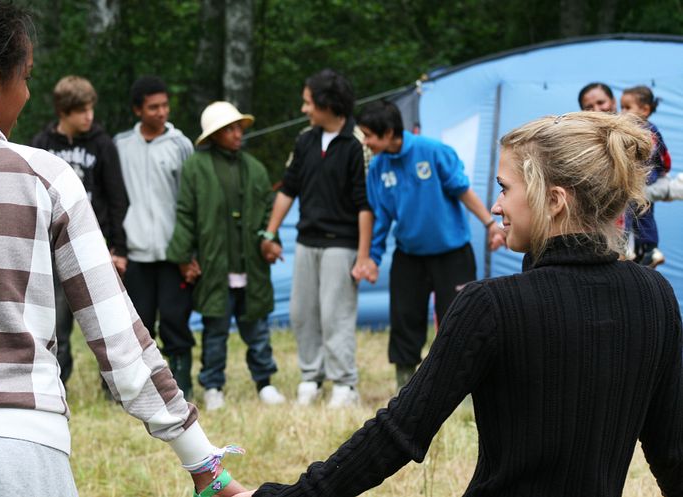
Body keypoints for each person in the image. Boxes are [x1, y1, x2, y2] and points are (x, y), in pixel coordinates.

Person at [249, 112, 683, 496]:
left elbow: (398, 433)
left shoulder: (492, 305)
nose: (495, 206)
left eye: (504, 188)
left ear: (554, 200)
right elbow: (671, 453)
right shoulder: (655, 296)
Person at [0, 2, 251, 496]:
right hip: (20, 453)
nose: (29, 92)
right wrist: (205, 468)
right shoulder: (46, 176)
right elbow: (122, 345)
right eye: (27, 77)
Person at [357, 100, 505, 388]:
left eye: (369, 135)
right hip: (409, 256)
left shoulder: (433, 152)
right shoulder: (378, 168)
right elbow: (381, 218)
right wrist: (371, 258)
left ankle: (461, 383)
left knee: (458, 320)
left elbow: (463, 191)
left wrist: (490, 224)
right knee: (404, 318)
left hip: (452, 254)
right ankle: (405, 383)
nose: (366, 142)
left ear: (388, 132)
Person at [262, 69, 375, 408]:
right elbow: (288, 188)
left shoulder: (357, 143)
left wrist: (363, 255)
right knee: (302, 312)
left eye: (308, 102)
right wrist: (270, 232)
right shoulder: (305, 140)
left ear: (327, 104)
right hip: (306, 241)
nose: (304, 109)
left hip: (342, 243)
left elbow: (365, 204)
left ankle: (345, 385)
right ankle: (311, 378)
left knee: (335, 314)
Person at [167, 101, 286, 411]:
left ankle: (265, 383)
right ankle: (213, 385)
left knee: (257, 330)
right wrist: (183, 257)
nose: (237, 134)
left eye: (238, 128)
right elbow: (186, 215)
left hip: (252, 267)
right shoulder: (196, 167)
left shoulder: (255, 168)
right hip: (214, 266)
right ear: (214, 135)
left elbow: (266, 217)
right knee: (215, 331)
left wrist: (272, 242)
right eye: (229, 129)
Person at [32, 75, 128, 385]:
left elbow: (117, 200)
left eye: (91, 109)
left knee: (109, 322)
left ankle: (115, 388)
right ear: (64, 111)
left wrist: (119, 249)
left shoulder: (103, 144)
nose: (89, 116)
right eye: (82, 110)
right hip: (52, 249)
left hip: (95, 247)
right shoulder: (42, 145)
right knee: (55, 325)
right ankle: (57, 385)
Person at [114, 76, 195, 398]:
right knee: (139, 324)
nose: (161, 112)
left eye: (165, 105)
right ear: (137, 110)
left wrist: (189, 252)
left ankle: (181, 384)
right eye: (153, 107)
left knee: (176, 320)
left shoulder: (181, 144)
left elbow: (191, 202)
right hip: (134, 253)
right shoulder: (119, 145)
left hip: (173, 253)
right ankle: (140, 387)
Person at [578, 82, 664, 267]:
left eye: (601, 102)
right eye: (589, 107)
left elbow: (658, 159)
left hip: (629, 219)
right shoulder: (581, 138)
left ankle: (647, 252)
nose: (597, 109)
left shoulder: (634, 130)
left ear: (613, 102)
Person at [621, 85, 678, 267]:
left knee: (640, 212)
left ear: (645, 110)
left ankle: (650, 248)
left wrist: (662, 171)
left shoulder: (647, 130)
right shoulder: (629, 130)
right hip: (636, 179)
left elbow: (662, 155)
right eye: (622, 107)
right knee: (637, 214)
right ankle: (640, 250)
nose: (623, 112)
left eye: (627, 107)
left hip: (645, 178)